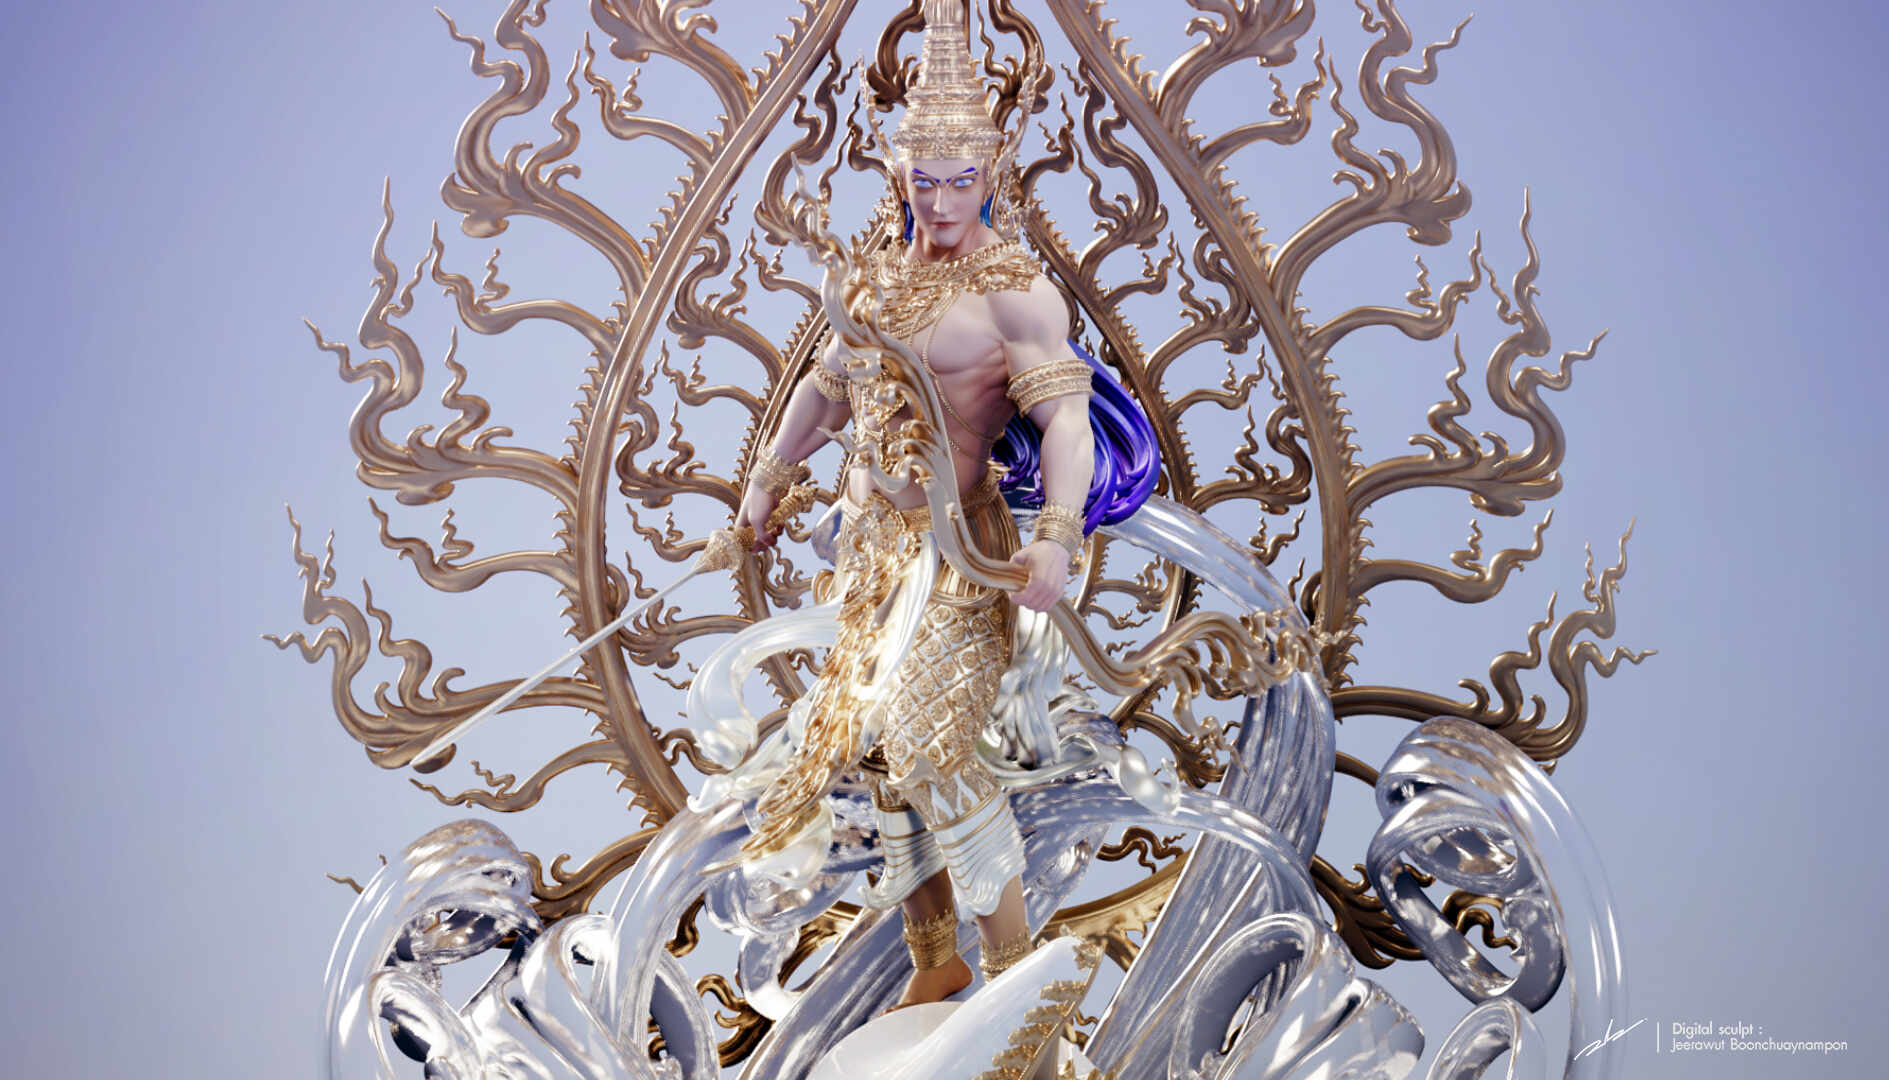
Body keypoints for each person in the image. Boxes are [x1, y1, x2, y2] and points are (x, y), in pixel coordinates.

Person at [727, 2, 1105, 1013]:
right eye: (923, 181)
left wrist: (1057, 538)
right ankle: (935, 959)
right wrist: (767, 479)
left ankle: (1020, 990)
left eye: (959, 181)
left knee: (932, 750)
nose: (939, 201)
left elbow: (1066, 425)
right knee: (876, 752)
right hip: (868, 549)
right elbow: (824, 388)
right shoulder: (874, 280)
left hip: (958, 550)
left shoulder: (1014, 293)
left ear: (991, 174)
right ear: (898, 174)